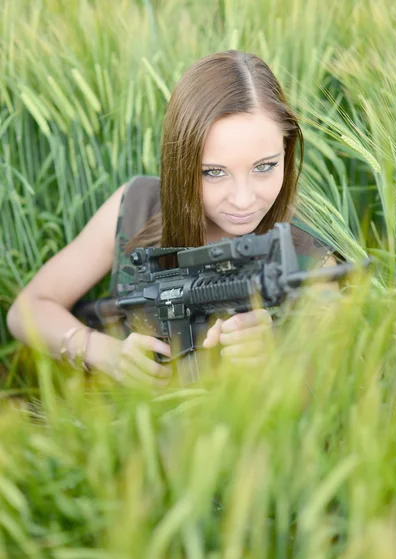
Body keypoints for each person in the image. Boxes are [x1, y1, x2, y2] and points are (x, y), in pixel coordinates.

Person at [6, 50, 336, 387]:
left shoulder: (310, 256)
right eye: (213, 172)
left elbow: (342, 395)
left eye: (264, 166)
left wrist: (277, 361)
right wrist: (107, 354)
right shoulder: (139, 206)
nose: (243, 199)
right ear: (181, 164)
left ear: (287, 149)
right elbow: (26, 310)